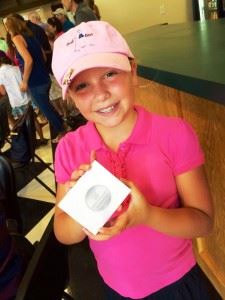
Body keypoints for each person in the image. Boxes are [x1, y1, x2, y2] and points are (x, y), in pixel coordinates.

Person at [52, 21, 214, 299]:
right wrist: (81, 206)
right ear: (72, 99)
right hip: (115, 288)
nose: (100, 93)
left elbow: (203, 221)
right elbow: (63, 231)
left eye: (110, 74)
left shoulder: (174, 135)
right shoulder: (69, 149)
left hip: (177, 284)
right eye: (82, 85)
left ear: (133, 71)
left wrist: (148, 215)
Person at [4, 15, 66, 143]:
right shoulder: (30, 35)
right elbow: (43, 56)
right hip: (44, 77)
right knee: (48, 107)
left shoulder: (17, 38)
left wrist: (25, 81)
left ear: (10, 27)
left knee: (46, 110)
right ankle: (63, 126)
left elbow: (28, 60)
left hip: (35, 82)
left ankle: (63, 132)